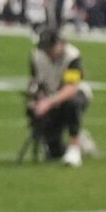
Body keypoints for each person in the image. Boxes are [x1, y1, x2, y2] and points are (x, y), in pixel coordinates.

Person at [27, 28, 94, 166]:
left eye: (50, 48)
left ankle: (74, 147)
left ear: (60, 44)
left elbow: (71, 87)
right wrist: (36, 99)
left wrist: (49, 102)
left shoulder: (72, 56)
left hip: (74, 93)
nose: (48, 52)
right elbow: (35, 81)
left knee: (72, 103)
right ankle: (69, 140)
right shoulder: (37, 56)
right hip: (49, 95)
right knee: (54, 152)